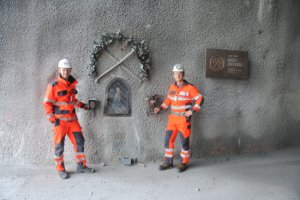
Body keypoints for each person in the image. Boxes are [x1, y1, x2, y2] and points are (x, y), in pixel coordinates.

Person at [43, 58, 95, 179]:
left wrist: (85, 106)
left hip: (73, 121)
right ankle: (60, 170)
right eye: (63, 69)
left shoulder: (72, 85)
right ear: (59, 70)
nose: (65, 72)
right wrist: (53, 120)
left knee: (80, 142)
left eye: (67, 69)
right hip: (60, 122)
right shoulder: (53, 86)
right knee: (59, 146)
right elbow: (46, 104)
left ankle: (81, 166)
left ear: (70, 70)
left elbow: (73, 101)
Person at [154, 64, 204, 172]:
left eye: (180, 73)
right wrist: (160, 108)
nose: (178, 75)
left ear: (183, 74)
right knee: (168, 140)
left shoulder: (191, 88)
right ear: (173, 75)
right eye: (176, 73)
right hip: (172, 120)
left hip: (183, 121)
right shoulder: (172, 87)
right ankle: (168, 162)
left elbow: (200, 99)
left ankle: (184, 162)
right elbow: (168, 101)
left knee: (184, 142)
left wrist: (193, 110)